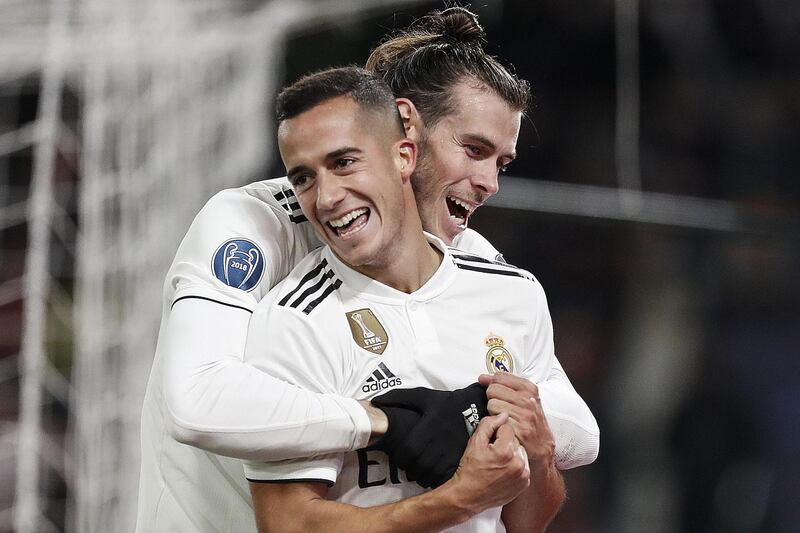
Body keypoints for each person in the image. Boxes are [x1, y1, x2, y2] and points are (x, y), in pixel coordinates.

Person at [136, 6, 598, 532]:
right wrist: (385, 420)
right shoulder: (254, 226)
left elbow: (577, 430)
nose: (490, 182)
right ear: (406, 132)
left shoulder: (482, 268)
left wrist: (479, 415)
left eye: (502, 163)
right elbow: (194, 401)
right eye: (472, 150)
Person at [243, 65, 563, 533]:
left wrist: (540, 451)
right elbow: (288, 524)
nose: (327, 197)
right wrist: (459, 498)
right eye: (304, 178)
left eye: (344, 162)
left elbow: (526, 522)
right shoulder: (294, 321)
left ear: (404, 157)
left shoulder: (515, 294)